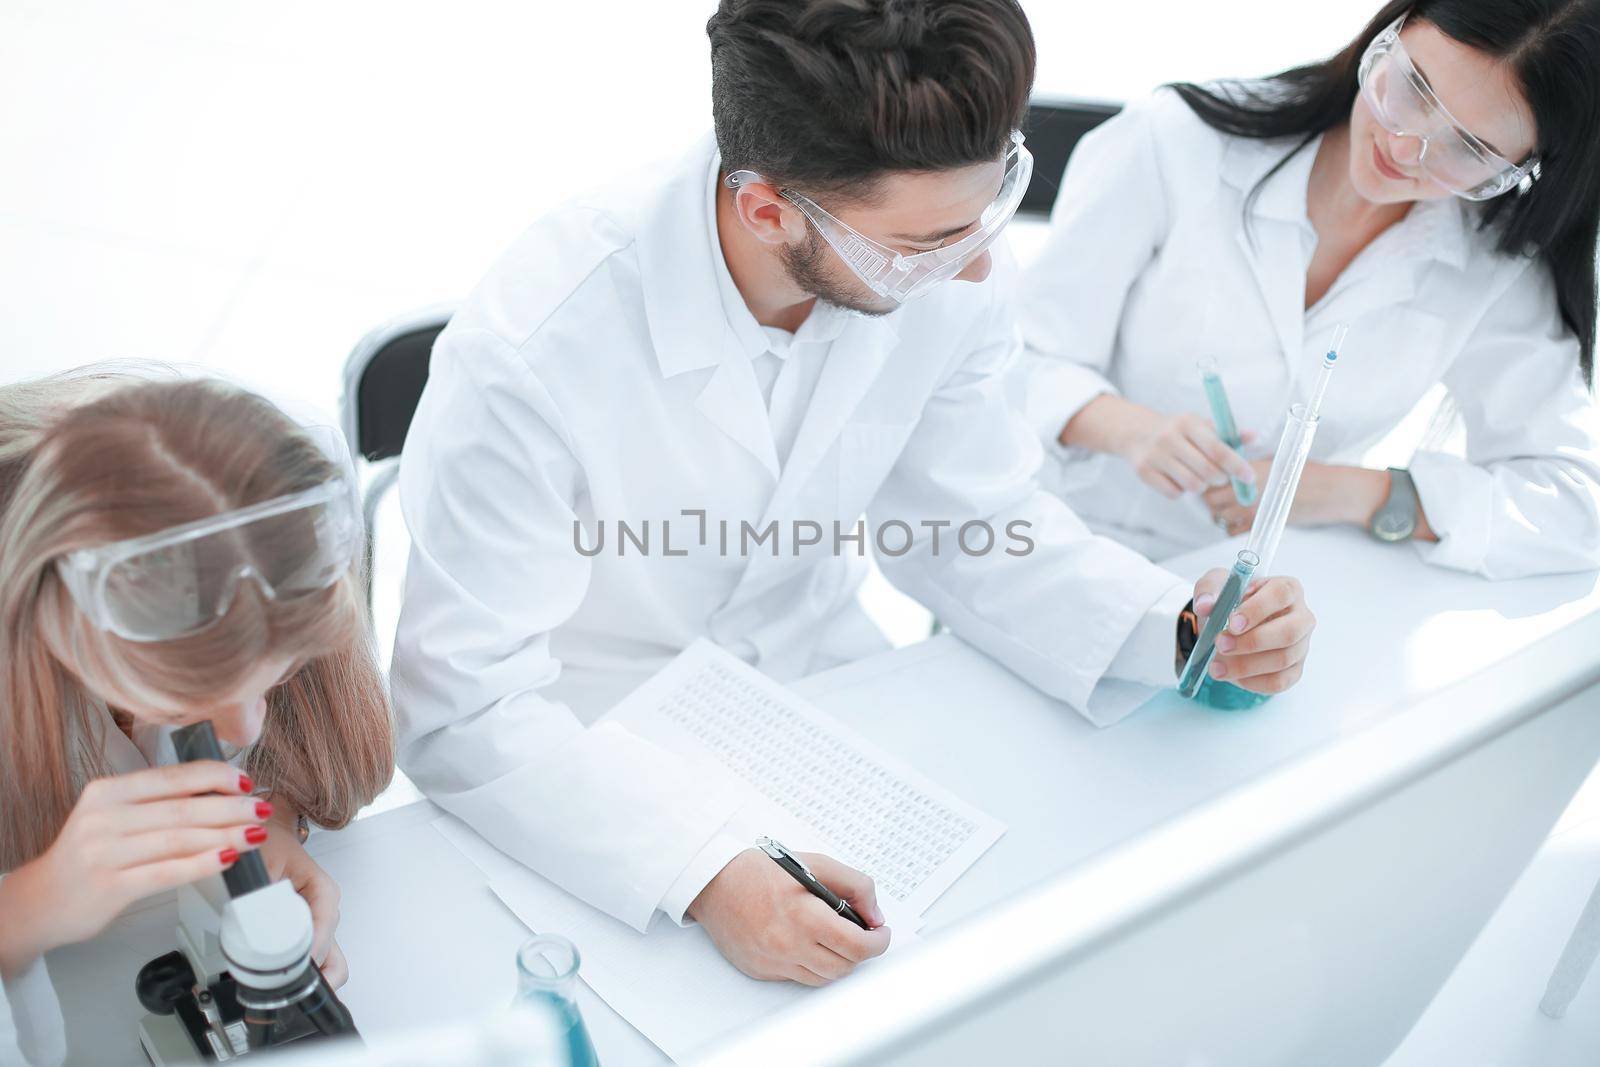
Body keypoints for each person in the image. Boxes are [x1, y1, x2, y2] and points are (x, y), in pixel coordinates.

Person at [390, 0, 1316, 989]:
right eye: (923, 243)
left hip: (828, 700)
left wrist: (1173, 627)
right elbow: (463, 700)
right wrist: (700, 871)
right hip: (588, 753)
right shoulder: (531, 350)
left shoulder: (943, 263)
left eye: (994, 200)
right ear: (767, 210)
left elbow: (966, 525)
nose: (979, 264)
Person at [1020, 0, 1600, 578]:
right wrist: (1129, 431)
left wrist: (1352, 493)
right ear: (1388, 34)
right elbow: (1013, 357)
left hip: (1274, 596)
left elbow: (1577, 505)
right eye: (1415, 87)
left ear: (1523, 169)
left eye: (1467, 148)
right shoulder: (1177, 139)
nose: (1404, 147)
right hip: (1057, 550)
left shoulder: (1496, 266)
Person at [0, 372, 394, 1066]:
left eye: (281, 675)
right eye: (190, 703)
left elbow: (281, 756)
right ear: (60, 635)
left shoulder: (270, 513)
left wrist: (269, 818)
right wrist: (29, 908)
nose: (244, 729)